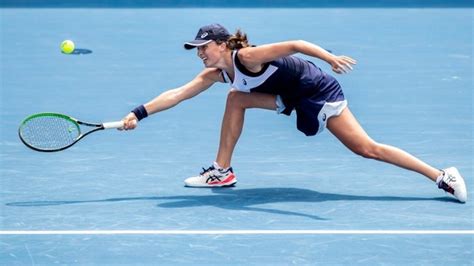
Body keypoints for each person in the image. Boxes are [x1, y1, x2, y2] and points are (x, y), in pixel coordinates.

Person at [121, 23, 467, 203]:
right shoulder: (218, 73)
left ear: (223, 44)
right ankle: (222, 171)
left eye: (204, 47)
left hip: (317, 92)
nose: (200, 53)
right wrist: (139, 113)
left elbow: (297, 45)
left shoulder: (248, 57)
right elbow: (178, 94)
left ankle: (440, 175)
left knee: (365, 148)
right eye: (196, 49)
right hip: (288, 95)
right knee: (234, 97)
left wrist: (329, 59)